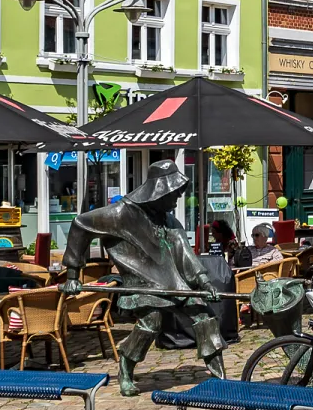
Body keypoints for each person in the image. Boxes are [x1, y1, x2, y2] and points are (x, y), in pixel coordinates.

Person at [60, 160, 225, 396]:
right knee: (152, 322)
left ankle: (219, 374)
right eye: (174, 195)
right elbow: (80, 225)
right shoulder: (119, 214)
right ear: (160, 191)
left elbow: (186, 254)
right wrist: (73, 274)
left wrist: (204, 282)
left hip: (175, 284)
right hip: (141, 284)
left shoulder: (168, 220)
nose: (177, 200)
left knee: (203, 314)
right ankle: (126, 367)